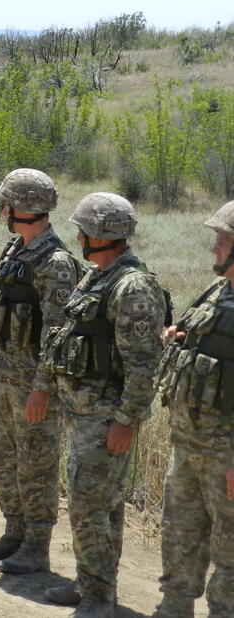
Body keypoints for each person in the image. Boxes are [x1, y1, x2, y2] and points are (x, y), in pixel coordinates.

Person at [39, 192, 167, 617]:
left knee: (91, 505)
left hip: (107, 415)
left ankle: (97, 595)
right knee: (96, 504)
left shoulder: (131, 286)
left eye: (83, 229)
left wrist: (127, 420)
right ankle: (93, 583)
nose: (76, 235)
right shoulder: (97, 275)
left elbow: (144, 364)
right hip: (86, 411)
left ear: (101, 234)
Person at [0, 168, 81, 574]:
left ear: (24, 207)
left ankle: (37, 545)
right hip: (4, 377)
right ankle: (14, 533)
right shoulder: (14, 251)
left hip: (32, 384)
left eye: (8, 203)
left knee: (35, 466)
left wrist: (42, 389)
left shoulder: (54, 263)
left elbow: (57, 334)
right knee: (3, 460)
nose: (3, 210)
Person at [151, 200, 234, 618]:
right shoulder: (218, 291)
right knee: (180, 533)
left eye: (223, 239)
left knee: (231, 556)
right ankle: (174, 608)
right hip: (189, 445)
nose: (214, 247)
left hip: (227, 457)